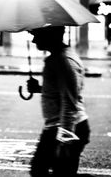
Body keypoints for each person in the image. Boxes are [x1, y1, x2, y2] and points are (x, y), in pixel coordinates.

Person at [27, 26, 90, 177]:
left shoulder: (64, 61)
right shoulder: (57, 58)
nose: (34, 39)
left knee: (41, 171)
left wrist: (65, 139)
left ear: (50, 36)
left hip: (64, 127)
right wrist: (40, 89)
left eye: (37, 35)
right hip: (58, 126)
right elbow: (61, 91)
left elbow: (70, 103)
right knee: (51, 172)